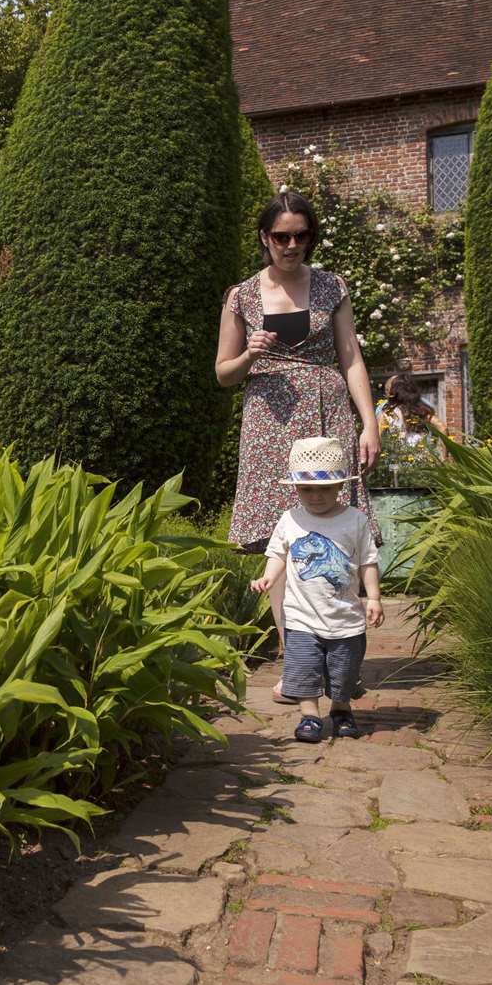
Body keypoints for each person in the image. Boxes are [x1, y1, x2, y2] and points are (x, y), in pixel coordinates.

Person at [216, 191, 381, 704]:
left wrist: (368, 423)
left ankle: (340, 651)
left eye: (301, 235)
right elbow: (223, 374)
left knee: (337, 531)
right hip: (269, 418)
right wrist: (249, 355)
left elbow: (351, 356)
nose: (291, 245)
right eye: (281, 236)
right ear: (265, 238)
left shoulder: (331, 286)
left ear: (311, 237)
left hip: (326, 411)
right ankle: (297, 662)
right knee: (280, 541)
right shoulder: (241, 296)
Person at [248, 437, 383, 742]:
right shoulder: (290, 519)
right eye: (306, 489)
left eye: (324, 489)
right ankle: (309, 715)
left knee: (344, 671)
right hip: (301, 617)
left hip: (345, 618)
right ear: (295, 488)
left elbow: (368, 561)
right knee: (302, 667)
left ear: (339, 487)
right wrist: (268, 578)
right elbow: (278, 553)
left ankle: (340, 709)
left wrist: (373, 597)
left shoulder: (355, 520)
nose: (315, 496)